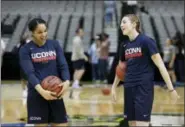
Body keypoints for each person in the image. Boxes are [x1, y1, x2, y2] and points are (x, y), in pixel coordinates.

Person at [111, 14, 180, 127]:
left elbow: (161, 66)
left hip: (143, 88)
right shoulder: (124, 45)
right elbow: (121, 69)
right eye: (121, 23)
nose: (121, 25)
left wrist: (171, 89)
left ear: (134, 24)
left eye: (124, 22)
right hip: (129, 88)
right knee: (132, 124)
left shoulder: (147, 41)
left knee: (141, 124)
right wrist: (114, 87)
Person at [19, 18, 70, 126]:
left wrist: (66, 82)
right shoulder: (25, 50)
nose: (44, 34)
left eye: (45, 31)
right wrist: (42, 92)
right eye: (39, 32)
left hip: (55, 92)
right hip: (37, 94)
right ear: (32, 33)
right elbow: (30, 73)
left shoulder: (54, 44)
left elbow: (63, 65)